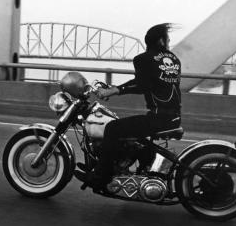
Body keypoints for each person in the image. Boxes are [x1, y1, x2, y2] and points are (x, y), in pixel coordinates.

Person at [75, 23, 182, 191]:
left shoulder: (144, 59)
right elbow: (148, 82)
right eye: (168, 39)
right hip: (173, 116)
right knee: (132, 134)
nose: (169, 42)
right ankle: (141, 163)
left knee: (112, 128)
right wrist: (115, 89)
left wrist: (114, 91)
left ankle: (101, 176)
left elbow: (142, 85)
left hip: (158, 118)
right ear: (161, 40)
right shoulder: (173, 60)